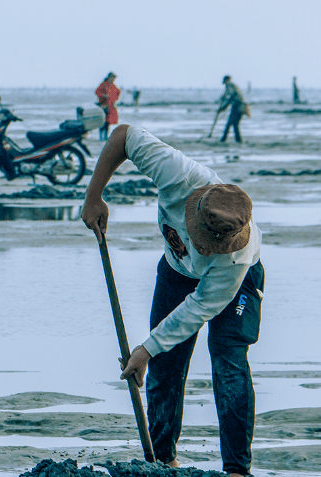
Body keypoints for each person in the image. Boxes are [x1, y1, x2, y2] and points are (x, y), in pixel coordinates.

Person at [82, 124, 264, 477]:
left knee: (229, 364)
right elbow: (124, 136)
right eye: (204, 241)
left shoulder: (234, 259)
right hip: (175, 271)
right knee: (165, 364)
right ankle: (162, 460)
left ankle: (237, 470)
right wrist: (94, 195)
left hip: (238, 285)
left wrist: (145, 348)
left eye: (215, 247)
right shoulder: (179, 175)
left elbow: (197, 309)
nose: (208, 250)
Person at [218, 75, 249, 143]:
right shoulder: (232, 85)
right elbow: (227, 95)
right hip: (240, 105)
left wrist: (224, 107)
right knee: (235, 124)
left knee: (230, 123)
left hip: (237, 106)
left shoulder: (229, 85)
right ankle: (238, 140)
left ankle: (223, 139)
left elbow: (232, 95)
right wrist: (223, 102)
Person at [95, 72, 121, 141]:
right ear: (109, 77)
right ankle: (101, 137)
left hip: (110, 107)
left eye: (114, 78)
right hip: (104, 106)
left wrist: (114, 100)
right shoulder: (103, 84)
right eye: (112, 78)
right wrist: (103, 95)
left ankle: (105, 137)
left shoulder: (113, 86)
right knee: (102, 122)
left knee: (108, 122)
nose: (113, 80)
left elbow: (118, 92)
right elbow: (97, 92)